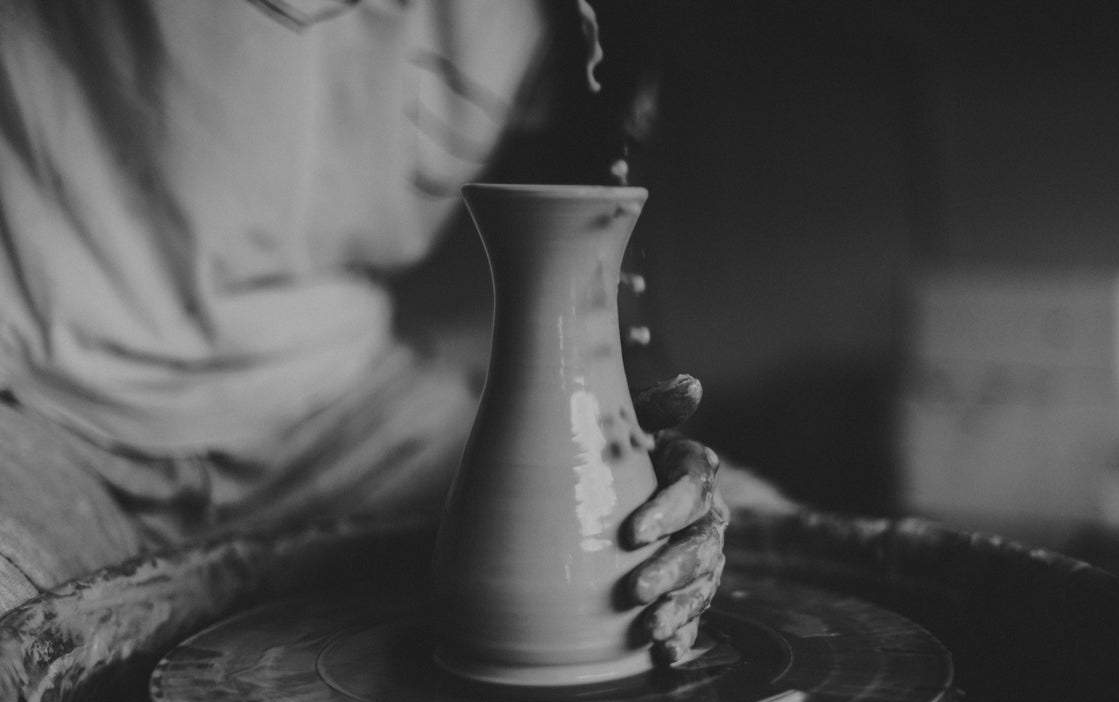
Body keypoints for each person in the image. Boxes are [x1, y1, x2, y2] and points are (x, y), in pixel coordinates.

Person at [0, 0, 734, 662]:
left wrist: (638, 463)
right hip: (41, 392)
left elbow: (595, 268)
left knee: (746, 548)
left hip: (339, 397)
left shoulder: (587, 24)